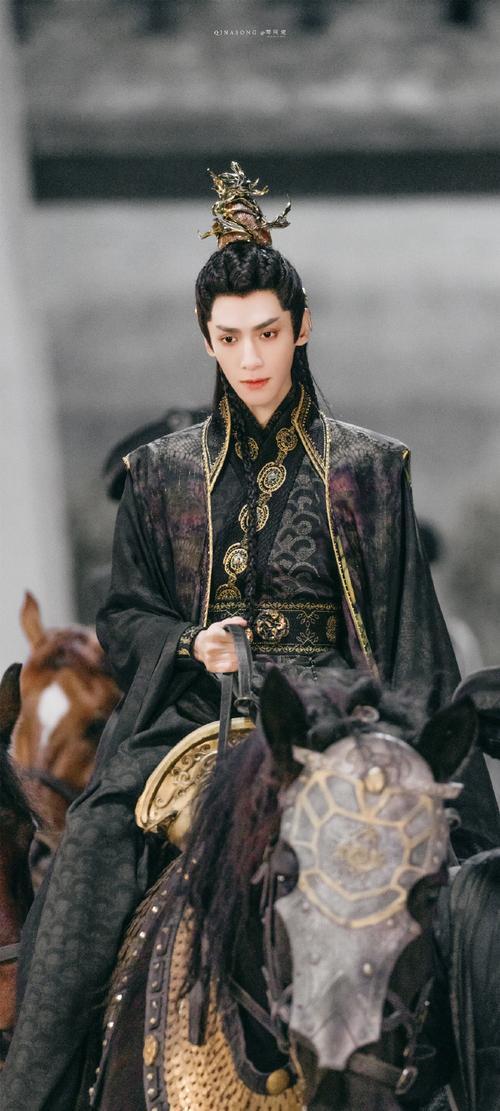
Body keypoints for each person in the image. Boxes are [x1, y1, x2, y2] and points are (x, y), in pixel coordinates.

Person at [2, 161, 498, 1111]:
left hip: (346, 728)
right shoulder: (157, 476)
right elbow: (125, 617)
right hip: (190, 727)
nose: (251, 357)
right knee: (88, 860)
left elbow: (411, 637)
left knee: (464, 894)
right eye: (229, 338)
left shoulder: (370, 471)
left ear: (301, 328)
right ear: (207, 339)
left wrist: (421, 764)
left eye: (267, 332)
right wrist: (192, 643)